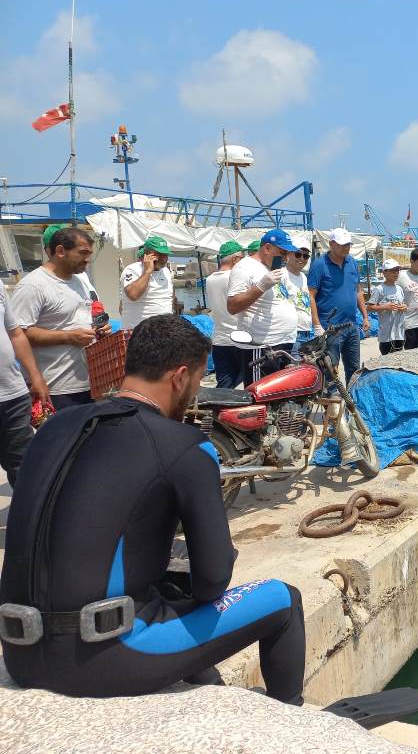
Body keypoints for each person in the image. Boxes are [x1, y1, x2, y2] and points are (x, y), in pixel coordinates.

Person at [0, 315, 305, 702]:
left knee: (163, 584)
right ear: (179, 377)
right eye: (194, 385)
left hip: (21, 653)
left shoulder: (54, 430)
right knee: (283, 598)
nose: (192, 397)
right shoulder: (184, 445)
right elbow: (213, 580)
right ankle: (293, 719)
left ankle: (207, 686)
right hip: (105, 659)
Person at [11, 226, 111, 410]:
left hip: (87, 382)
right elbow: (19, 333)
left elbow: (75, 319)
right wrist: (69, 337)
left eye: (89, 253)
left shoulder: (79, 281)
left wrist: (99, 329)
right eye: (82, 253)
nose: (88, 259)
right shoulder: (33, 285)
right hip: (54, 387)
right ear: (60, 251)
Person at [227, 228, 299, 385]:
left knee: (279, 397)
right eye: (282, 252)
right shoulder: (244, 267)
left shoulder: (274, 267)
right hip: (261, 348)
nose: (286, 258)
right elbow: (232, 306)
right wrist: (261, 286)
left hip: (283, 343)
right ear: (267, 248)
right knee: (260, 397)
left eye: (288, 254)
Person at [0, 288, 50, 486]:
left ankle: (29, 516)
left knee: (25, 467)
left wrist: (35, 375)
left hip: (14, 395)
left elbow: (15, 334)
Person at [307, 228, 370, 383]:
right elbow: (310, 295)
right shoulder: (320, 265)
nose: (345, 248)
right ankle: (332, 404)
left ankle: (352, 402)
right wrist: (316, 324)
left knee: (354, 368)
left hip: (352, 325)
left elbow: (358, 291)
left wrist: (365, 316)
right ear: (331, 244)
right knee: (330, 369)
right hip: (330, 328)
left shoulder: (352, 262)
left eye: (348, 244)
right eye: (342, 244)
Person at [205, 240, 245, 388]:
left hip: (219, 339)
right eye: (242, 258)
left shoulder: (209, 280)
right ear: (235, 259)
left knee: (224, 381)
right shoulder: (234, 278)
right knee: (243, 383)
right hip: (239, 339)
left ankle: (219, 410)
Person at [119, 236, 174, 330]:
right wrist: (148, 271)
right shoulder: (132, 269)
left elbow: (170, 297)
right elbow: (133, 295)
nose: (163, 258)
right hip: (138, 332)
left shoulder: (166, 272)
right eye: (159, 254)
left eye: (165, 255)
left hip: (164, 331)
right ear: (146, 254)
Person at [368, 259, 406, 355]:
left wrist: (404, 307)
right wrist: (385, 306)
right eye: (393, 270)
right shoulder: (379, 289)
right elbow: (369, 307)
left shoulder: (399, 288)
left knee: (399, 360)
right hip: (386, 335)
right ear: (385, 272)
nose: (396, 273)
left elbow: (404, 303)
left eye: (397, 270)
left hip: (399, 333)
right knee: (387, 362)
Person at [285, 241, 314, 355]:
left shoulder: (303, 277)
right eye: (298, 254)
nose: (302, 258)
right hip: (292, 334)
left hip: (306, 332)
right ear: (289, 254)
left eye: (306, 256)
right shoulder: (282, 275)